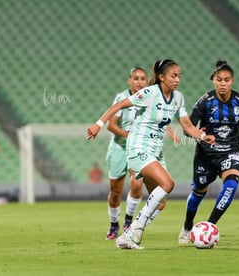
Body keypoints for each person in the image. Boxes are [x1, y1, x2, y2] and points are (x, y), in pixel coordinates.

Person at [87, 59, 215, 249]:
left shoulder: (178, 98)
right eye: (174, 75)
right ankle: (135, 229)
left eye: (179, 76)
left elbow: (187, 125)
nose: (178, 79)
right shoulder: (150, 93)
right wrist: (98, 124)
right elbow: (120, 105)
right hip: (138, 147)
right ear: (161, 77)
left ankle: (127, 236)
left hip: (155, 151)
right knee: (168, 184)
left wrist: (202, 136)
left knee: (160, 202)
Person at [178, 60, 239, 244]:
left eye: (227, 79)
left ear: (233, 81)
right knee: (199, 191)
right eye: (219, 79)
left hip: (230, 153)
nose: (223, 83)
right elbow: (187, 127)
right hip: (205, 155)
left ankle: (208, 227)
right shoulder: (205, 102)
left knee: (231, 186)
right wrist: (200, 135)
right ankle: (187, 225)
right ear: (213, 81)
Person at [104, 67, 179, 240]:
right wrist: (127, 134)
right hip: (119, 147)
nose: (139, 81)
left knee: (136, 185)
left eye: (142, 78)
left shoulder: (152, 96)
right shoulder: (122, 97)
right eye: (135, 78)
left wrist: (170, 132)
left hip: (140, 148)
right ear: (129, 81)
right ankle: (114, 224)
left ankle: (130, 222)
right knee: (115, 192)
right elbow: (111, 125)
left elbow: (158, 120)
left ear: (147, 81)